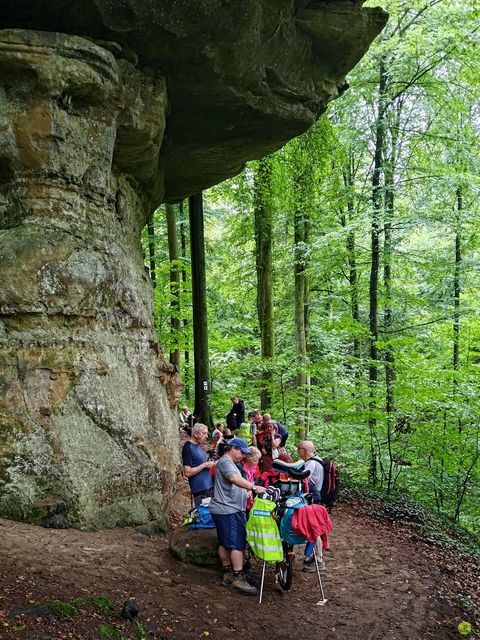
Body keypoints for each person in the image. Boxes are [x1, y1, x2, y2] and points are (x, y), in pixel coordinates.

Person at [209, 438, 263, 595]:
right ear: (233, 448)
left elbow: (233, 482)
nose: (243, 456)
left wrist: (244, 492)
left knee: (225, 542)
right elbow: (233, 478)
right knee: (236, 544)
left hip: (227, 508)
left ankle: (227, 573)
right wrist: (253, 487)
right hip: (228, 509)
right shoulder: (226, 461)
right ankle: (238, 578)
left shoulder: (228, 463)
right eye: (242, 452)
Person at [297, 440, 326, 571]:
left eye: (299, 449)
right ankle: (314, 559)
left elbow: (300, 477)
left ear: (304, 450)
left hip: (313, 499)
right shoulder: (317, 460)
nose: (297, 452)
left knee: (315, 529)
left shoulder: (312, 463)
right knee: (315, 528)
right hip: (316, 498)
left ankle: (318, 560)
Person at [182, 423, 215, 505]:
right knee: (204, 515)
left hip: (208, 485)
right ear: (196, 434)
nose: (206, 436)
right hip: (200, 489)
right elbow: (187, 472)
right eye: (204, 433)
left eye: (206, 433)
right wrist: (205, 465)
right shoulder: (188, 447)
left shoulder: (198, 445)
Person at [242, 446, 262, 511]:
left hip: (248, 496)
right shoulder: (241, 469)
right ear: (248, 459)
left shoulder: (252, 469)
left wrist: (250, 490)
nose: (257, 462)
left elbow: (251, 481)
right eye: (255, 460)